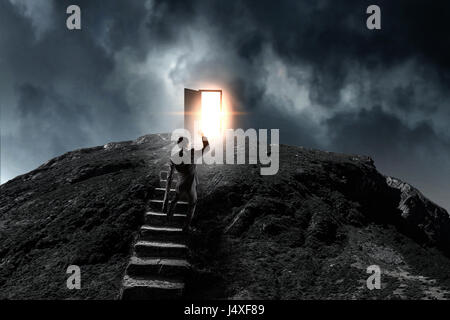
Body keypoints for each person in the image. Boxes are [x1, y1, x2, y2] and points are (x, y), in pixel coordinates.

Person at [166, 132, 209, 232]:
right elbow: (207, 147)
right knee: (192, 203)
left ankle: (168, 217)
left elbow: (171, 171)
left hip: (180, 184)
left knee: (175, 200)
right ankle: (186, 227)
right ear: (187, 144)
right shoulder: (192, 153)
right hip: (190, 185)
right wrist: (203, 136)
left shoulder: (174, 157)